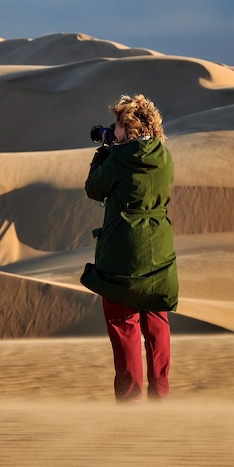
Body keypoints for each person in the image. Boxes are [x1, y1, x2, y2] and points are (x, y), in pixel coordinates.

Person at [80, 94, 178, 402]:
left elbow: (94, 188)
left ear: (129, 128)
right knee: (156, 321)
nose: (114, 129)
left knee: (123, 321)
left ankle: (130, 399)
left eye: (118, 125)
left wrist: (103, 151)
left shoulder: (119, 159)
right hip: (159, 248)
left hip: (123, 251)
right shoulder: (164, 157)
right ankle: (160, 394)